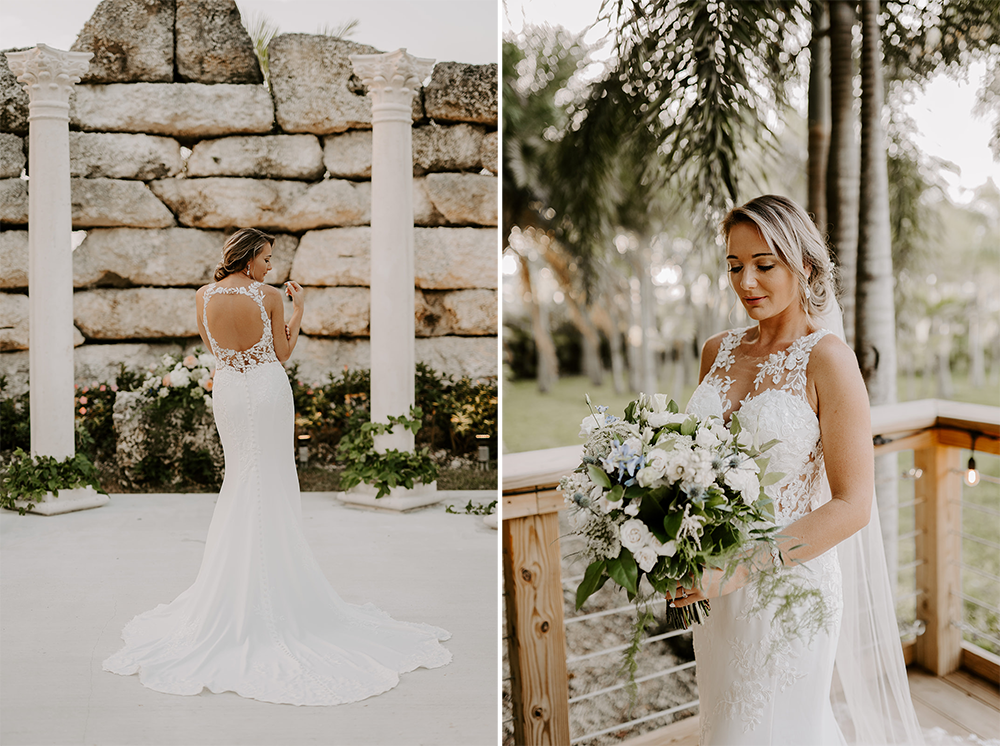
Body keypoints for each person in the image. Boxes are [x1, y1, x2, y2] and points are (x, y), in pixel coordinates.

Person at [103, 228, 451, 705]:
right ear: (247, 259)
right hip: (266, 390)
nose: (271, 266)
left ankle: (234, 586)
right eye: (266, 258)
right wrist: (300, 308)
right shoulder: (267, 296)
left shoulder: (203, 296)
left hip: (227, 392)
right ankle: (274, 589)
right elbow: (282, 354)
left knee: (241, 478)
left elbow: (214, 352)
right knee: (270, 481)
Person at [673, 195, 926, 745]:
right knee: (724, 725)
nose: (747, 282)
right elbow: (696, 465)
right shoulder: (716, 350)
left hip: (789, 582)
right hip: (715, 586)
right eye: (735, 266)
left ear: (804, 266)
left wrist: (744, 564)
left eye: (765, 265)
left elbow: (853, 504)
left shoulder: (828, 359)